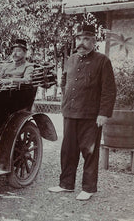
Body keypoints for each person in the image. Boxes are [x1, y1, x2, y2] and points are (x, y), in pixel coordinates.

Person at [48, 24, 116, 201]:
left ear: (93, 41)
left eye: (86, 39)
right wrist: (65, 102)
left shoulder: (103, 61)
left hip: (91, 115)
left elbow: (109, 90)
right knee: (68, 150)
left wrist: (103, 113)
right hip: (70, 113)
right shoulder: (70, 59)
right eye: (79, 39)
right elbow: (64, 81)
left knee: (89, 151)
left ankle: (88, 188)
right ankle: (66, 184)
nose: (81, 43)